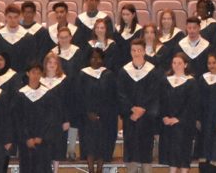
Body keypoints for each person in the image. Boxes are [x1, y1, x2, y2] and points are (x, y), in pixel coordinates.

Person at [116, 39, 163, 173]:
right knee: (130, 150)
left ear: (144, 51)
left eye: (139, 50)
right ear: (130, 52)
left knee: (145, 152)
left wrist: (142, 109)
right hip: (130, 118)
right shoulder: (124, 71)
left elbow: (154, 93)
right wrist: (132, 108)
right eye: (133, 50)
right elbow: (120, 93)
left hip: (146, 118)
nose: (136, 53)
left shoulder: (152, 71)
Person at [14, 64, 61, 173]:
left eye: (38, 73)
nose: (35, 76)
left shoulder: (47, 95)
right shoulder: (20, 95)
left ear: (41, 75)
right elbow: (18, 119)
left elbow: (51, 118)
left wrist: (41, 136)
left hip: (43, 142)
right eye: (33, 72)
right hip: (25, 142)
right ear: (27, 73)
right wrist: (26, 138)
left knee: (43, 168)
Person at [75, 49, 115, 173]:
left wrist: (102, 114)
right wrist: (88, 113)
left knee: (102, 145)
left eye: (98, 58)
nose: (95, 60)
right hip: (87, 117)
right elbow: (79, 96)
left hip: (104, 117)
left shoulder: (108, 74)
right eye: (93, 57)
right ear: (89, 59)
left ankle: (100, 170)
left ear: (103, 59)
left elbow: (111, 97)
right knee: (90, 145)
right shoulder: (83, 74)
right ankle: (91, 169)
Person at [159, 53, 198, 173]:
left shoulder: (191, 82)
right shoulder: (166, 81)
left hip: (184, 124)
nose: (176, 65)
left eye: (180, 63)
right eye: (174, 63)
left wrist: (179, 119)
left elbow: (192, 104)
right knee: (171, 152)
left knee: (183, 152)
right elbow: (162, 101)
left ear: (185, 65)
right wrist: (164, 116)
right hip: (169, 124)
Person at [0, 5, 34, 71]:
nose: (13, 20)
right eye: (10, 17)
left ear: (20, 17)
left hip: (22, 76)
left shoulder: (28, 38)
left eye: (15, 17)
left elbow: (31, 60)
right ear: (5, 17)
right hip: (2, 75)